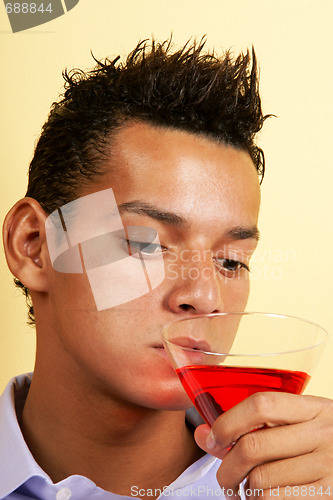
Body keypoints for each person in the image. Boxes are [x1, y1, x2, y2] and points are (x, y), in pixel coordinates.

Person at [1, 38, 332, 500]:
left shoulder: (305, 487)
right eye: (145, 243)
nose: (206, 297)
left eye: (231, 261)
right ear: (33, 246)